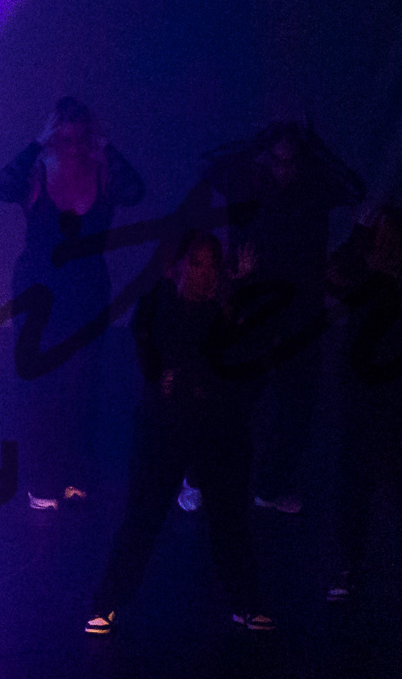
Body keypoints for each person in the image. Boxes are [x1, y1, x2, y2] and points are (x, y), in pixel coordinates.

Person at [86, 231, 272, 634]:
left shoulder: (223, 311)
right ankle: (108, 602)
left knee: (229, 518)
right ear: (182, 266)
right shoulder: (160, 304)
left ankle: (245, 602)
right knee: (142, 516)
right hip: (164, 428)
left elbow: (240, 358)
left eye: (212, 264)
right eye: (198, 263)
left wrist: (239, 290)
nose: (206, 273)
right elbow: (154, 353)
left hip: (216, 428)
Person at [203, 121, 365, 513]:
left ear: (302, 161)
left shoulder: (315, 187)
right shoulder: (248, 182)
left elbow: (355, 188)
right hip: (254, 305)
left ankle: (269, 486)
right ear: (266, 157)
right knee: (236, 398)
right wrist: (258, 142)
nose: (283, 169)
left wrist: (315, 144)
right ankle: (204, 478)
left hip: (300, 309)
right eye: (277, 160)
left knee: (297, 403)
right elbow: (211, 167)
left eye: (291, 161)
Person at [0, 97, 144, 509]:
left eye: (81, 138)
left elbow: (136, 191)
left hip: (87, 291)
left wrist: (107, 146)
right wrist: (34, 143)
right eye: (65, 138)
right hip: (38, 291)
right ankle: (42, 480)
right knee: (42, 385)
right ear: (54, 136)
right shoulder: (37, 172)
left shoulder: (103, 171)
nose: (73, 146)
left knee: (82, 385)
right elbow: (1, 187)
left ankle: (75, 474)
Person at [323, 204, 402, 601]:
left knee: (369, 486)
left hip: (379, 398)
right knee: (392, 488)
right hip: (396, 397)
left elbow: (333, 275)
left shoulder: (381, 283)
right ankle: (349, 567)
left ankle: (349, 569)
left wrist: (358, 233)